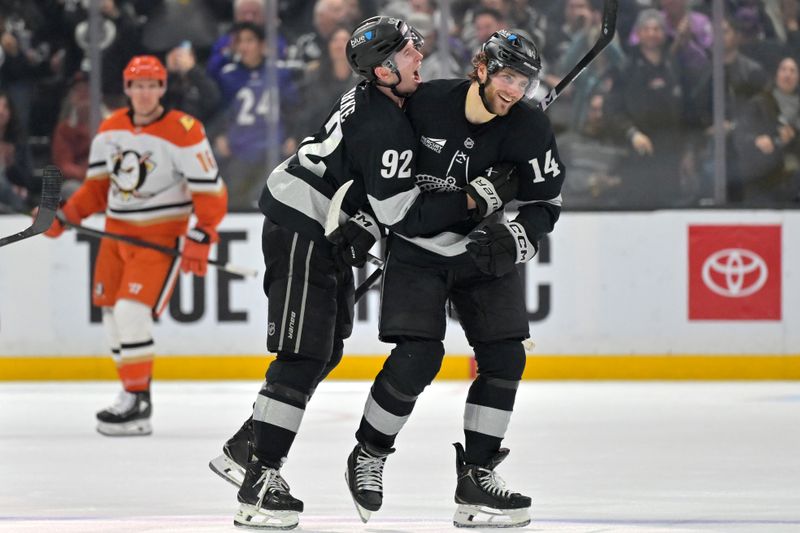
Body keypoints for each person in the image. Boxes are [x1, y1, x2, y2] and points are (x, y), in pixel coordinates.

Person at [208, 16, 518, 530]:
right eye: (409, 50)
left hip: (317, 223)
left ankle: (247, 447)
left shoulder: (383, 102)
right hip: (305, 224)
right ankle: (259, 483)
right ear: (383, 68)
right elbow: (403, 213)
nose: (420, 55)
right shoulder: (383, 123)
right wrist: (477, 196)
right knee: (302, 352)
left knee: (323, 349)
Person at [344, 29, 564, 528]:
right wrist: (360, 219)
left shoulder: (529, 126)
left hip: (482, 252)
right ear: (482, 68)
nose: (515, 89)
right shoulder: (424, 103)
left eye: (524, 81)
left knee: (506, 355)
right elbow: (380, 168)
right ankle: (369, 453)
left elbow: (545, 203)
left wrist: (516, 239)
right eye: (507, 76)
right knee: (418, 356)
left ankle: (478, 476)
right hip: (417, 251)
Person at [42, 55, 228, 436]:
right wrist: (65, 216)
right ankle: (130, 395)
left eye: (152, 85)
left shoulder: (185, 130)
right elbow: (96, 189)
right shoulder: (110, 129)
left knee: (130, 312)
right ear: (127, 89)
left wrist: (202, 234)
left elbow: (211, 193)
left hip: (159, 238)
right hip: (115, 236)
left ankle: (139, 402)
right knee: (111, 315)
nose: (144, 93)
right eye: (137, 85)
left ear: (162, 88)